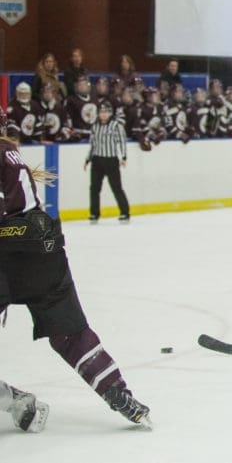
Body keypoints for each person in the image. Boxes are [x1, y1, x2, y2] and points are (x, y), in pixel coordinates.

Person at [0, 114, 150, 425]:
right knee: (68, 332)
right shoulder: (10, 153)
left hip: (8, 251)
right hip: (42, 246)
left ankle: (15, 402)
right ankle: (117, 391)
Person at [85, 102, 130, 223]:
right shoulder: (95, 126)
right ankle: (94, 213)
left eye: (106, 112)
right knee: (94, 188)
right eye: (101, 112)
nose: (103, 115)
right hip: (97, 160)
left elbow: (122, 142)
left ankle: (125, 212)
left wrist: (123, 157)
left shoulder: (116, 125)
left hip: (111, 160)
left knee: (116, 187)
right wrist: (88, 159)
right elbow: (93, 144)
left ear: (110, 113)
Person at [64, 75, 99, 142]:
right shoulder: (71, 100)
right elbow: (67, 119)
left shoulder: (95, 99)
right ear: (76, 87)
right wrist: (71, 133)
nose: (82, 87)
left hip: (94, 136)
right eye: (80, 85)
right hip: (78, 136)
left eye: (84, 84)